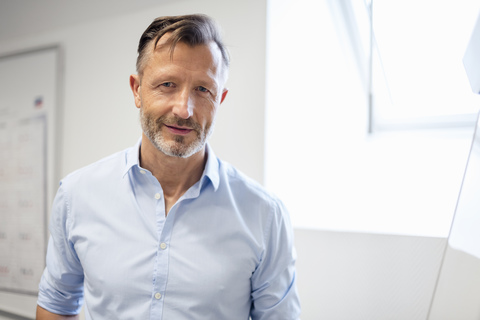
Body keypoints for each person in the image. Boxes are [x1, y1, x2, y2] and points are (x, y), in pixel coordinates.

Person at [36, 14, 300, 320]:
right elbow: (57, 302)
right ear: (137, 90)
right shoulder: (77, 195)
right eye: (167, 84)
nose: (183, 109)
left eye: (203, 90)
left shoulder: (264, 215)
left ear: (220, 99)